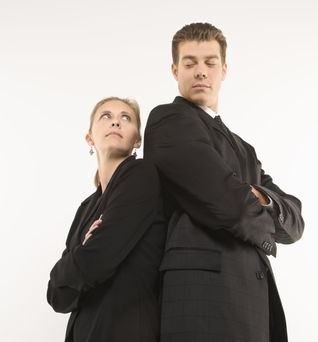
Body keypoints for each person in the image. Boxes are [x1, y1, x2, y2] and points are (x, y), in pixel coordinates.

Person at [144, 22, 304, 342]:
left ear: (224, 70)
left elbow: (295, 222)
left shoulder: (244, 148)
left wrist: (256, 195)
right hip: (201, 301)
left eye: (210, 62)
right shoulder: (169, 120)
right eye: (190, 63)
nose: (200, 71)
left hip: (251, 306)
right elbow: (231, 207)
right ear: (175, 70)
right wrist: (255, 198)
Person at [47, 97, 165, 342]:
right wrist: (82, 253)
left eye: (126, 118)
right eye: (106, 116)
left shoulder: (140, 175)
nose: (116, 123)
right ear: (89, 137)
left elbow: (98, 260)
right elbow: (56, 297)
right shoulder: (87, 207)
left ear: (137, 139)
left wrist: (72, 261)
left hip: (127, 331)